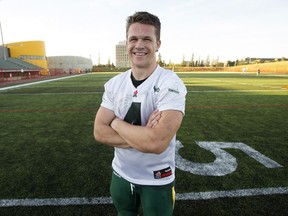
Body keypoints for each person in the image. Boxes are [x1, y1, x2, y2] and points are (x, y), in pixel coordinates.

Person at [94, 11, 187, 216]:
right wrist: (142, 135)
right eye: (133, 39)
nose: (139, 45)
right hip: (121, 174)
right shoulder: (114, 84)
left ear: (158, 44)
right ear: (127, 43)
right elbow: (99, 132)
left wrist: (116, 123)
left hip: (157, 178)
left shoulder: (170, 84)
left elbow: (156, 143)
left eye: (147, 39)